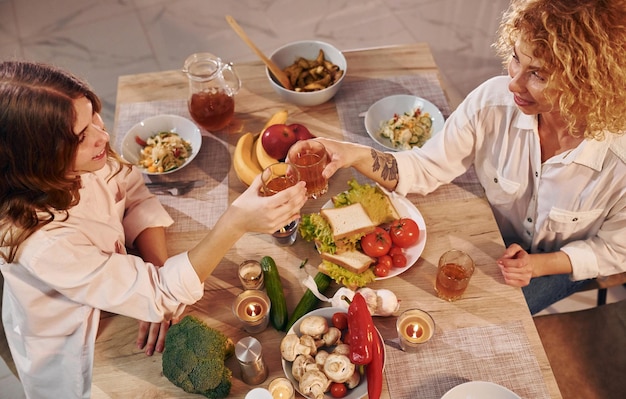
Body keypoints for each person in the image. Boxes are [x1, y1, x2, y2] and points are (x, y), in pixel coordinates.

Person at [0, 60, 307, 398]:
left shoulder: (82, 159)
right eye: (81, 136)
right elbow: (161, 295)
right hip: (77, 346)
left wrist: (155, 280)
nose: (103, 136)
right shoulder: (43, 245)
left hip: (115, 290)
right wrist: (235, 222)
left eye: (95, 118)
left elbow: (131, 188)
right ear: (38, 161)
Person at [317, 0, 626, 315]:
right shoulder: (493, 102)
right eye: (516, 59)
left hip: (561, 261)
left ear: (585, 85)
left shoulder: (620, 163)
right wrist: (351, 153)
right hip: (490, 235)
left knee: (490, 314)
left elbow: (615, 250)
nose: (513, 83)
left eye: (538, 75)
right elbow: (426, 167)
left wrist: (538, 265)